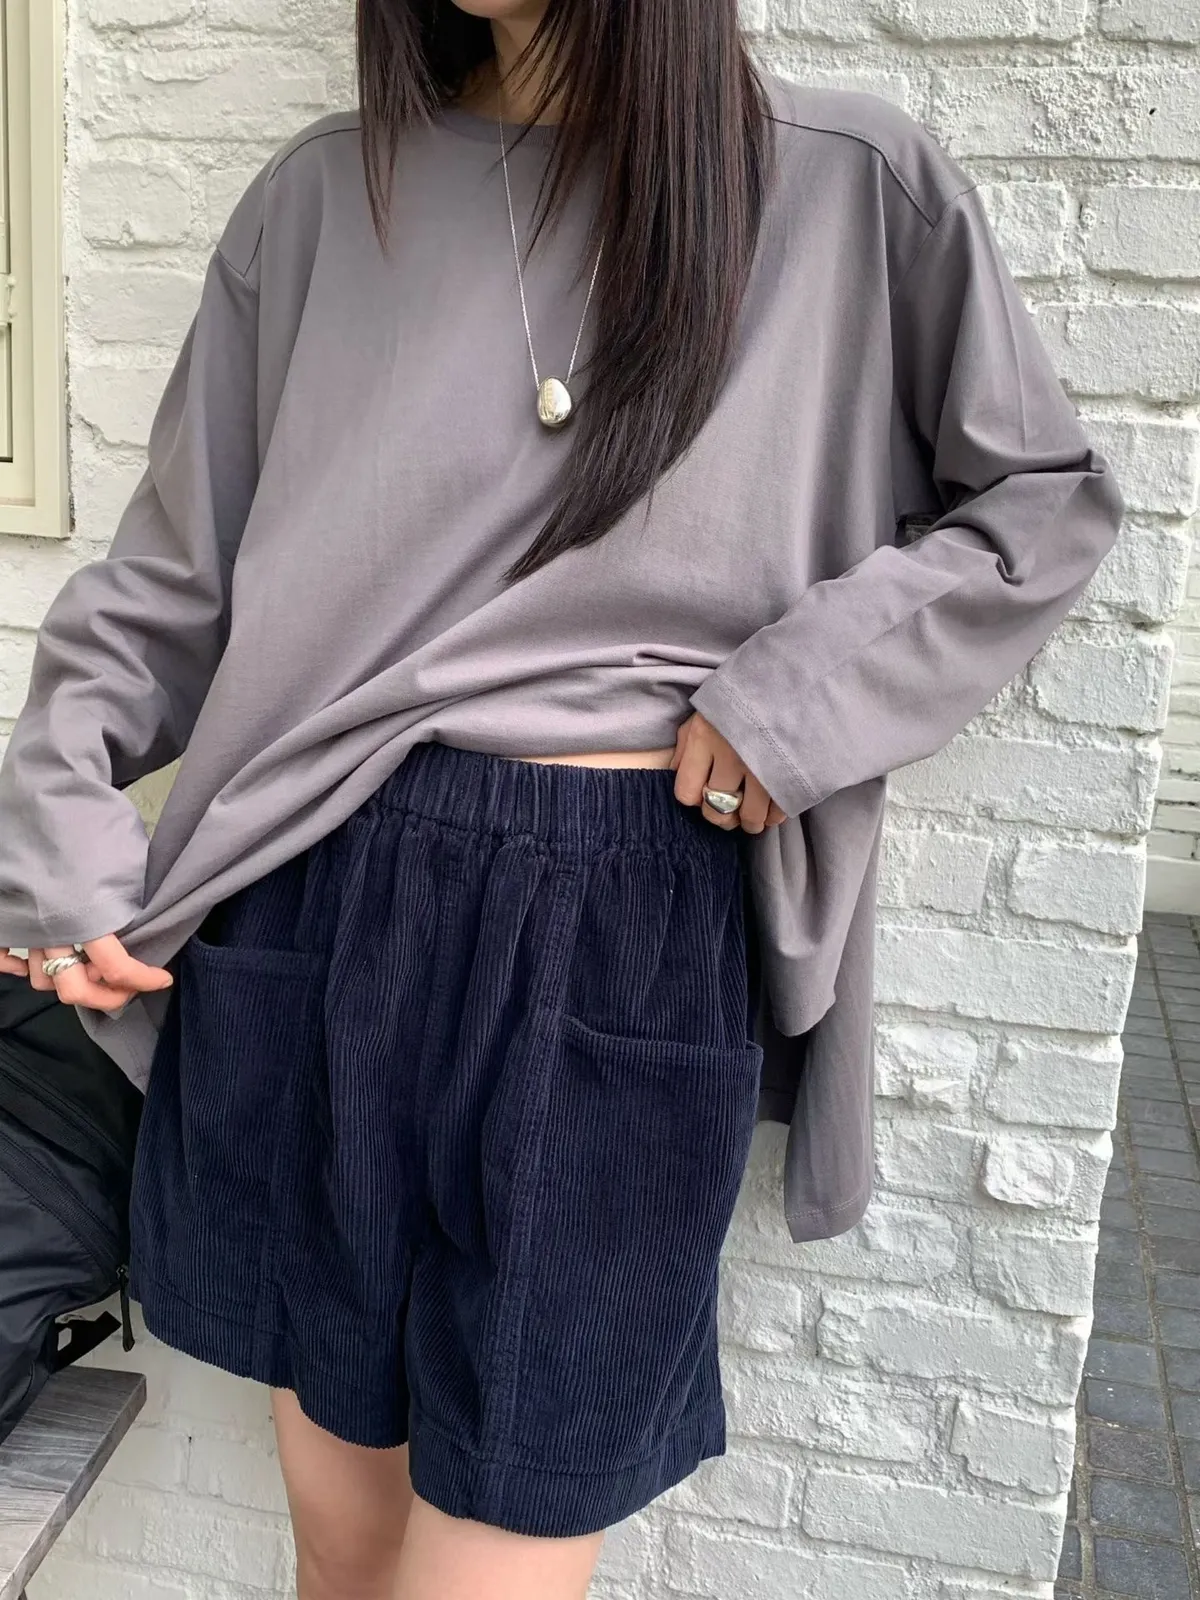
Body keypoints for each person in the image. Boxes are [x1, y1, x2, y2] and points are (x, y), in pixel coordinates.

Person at [0, 0, 1123, 1595]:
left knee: (505, 1541)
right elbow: (173, 584)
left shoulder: (845, 183)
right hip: (313, 885)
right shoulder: (323, 197)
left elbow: (1041, 502)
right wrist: (57, 834)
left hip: (623, 908)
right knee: (341, 1538)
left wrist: (801, 698)